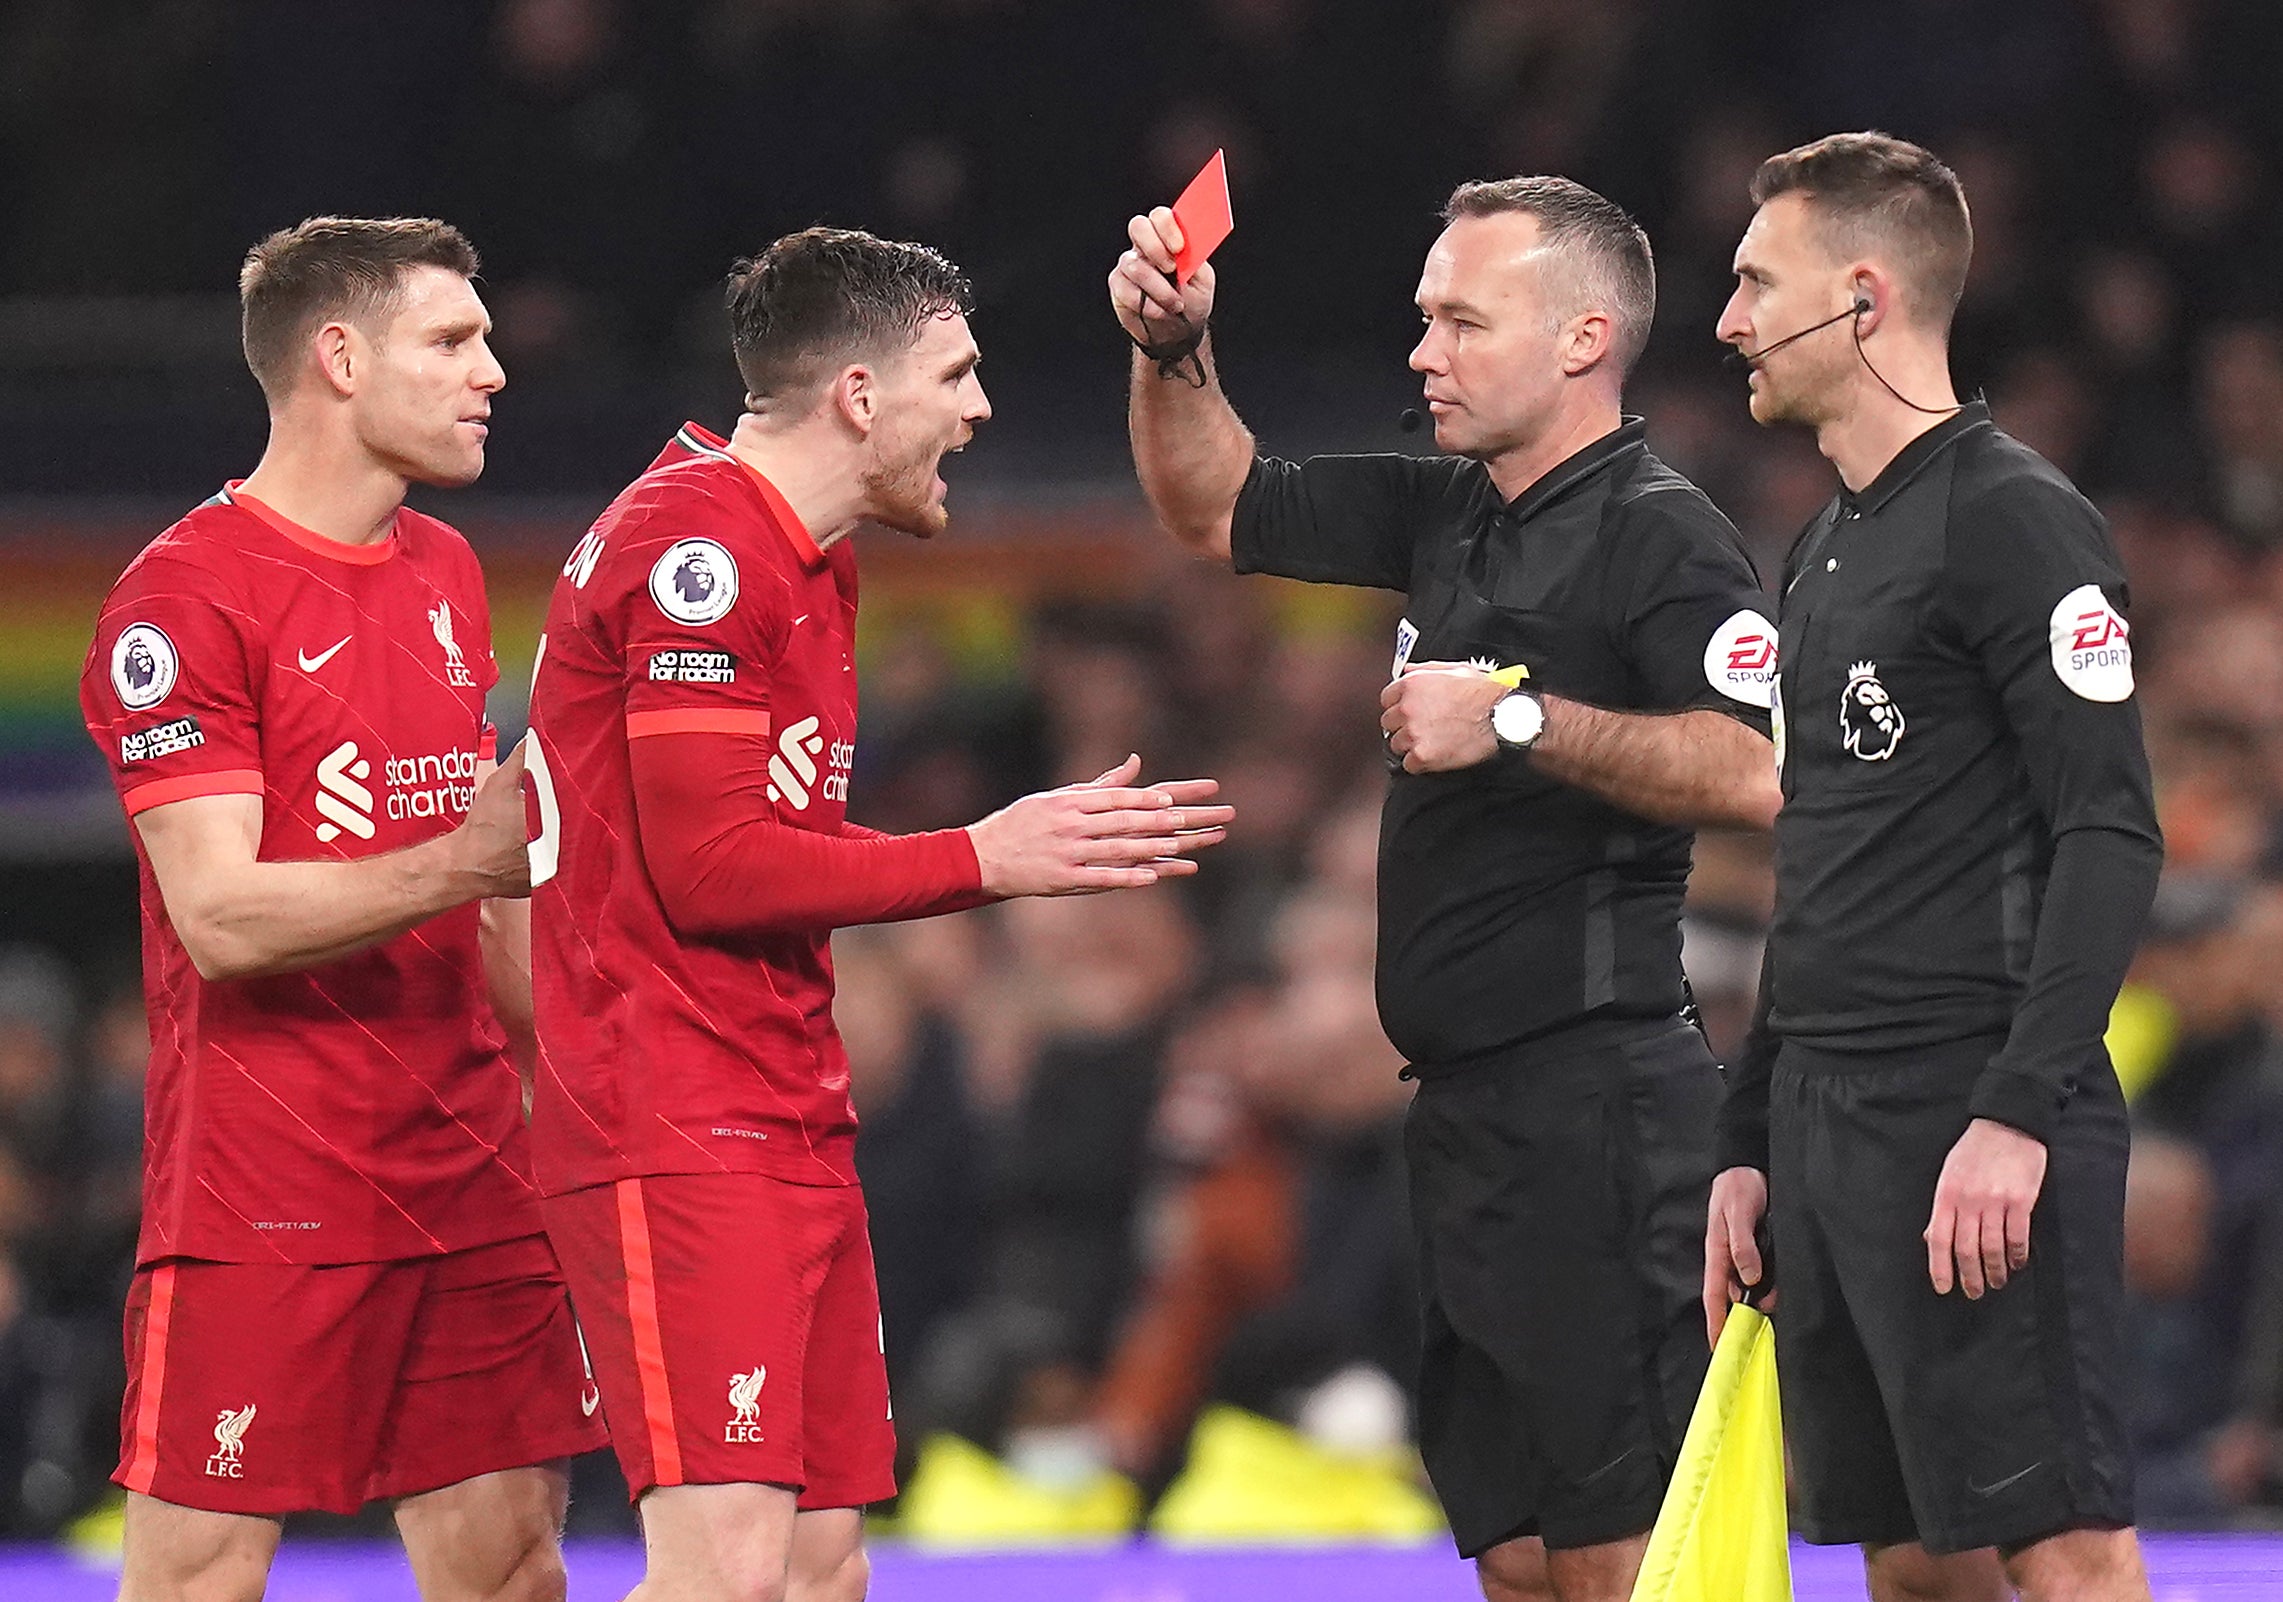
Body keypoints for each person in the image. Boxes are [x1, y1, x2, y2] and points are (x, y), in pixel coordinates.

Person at [524, 227, 1232, 1602]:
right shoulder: (701, 552)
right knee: (722, 1571)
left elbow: (752, 835)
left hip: (778, 1104)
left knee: (822, 1564)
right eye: (955, 374)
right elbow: (712, 868)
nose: (979, 409)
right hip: (674, 1119)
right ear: (858, 393)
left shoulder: (806, 558)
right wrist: (980, 855)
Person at [1110, 178, 1782, 1602]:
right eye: (1427, 319)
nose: (1424, 353)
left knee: (1614, 1553)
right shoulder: (1453, 511)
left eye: (1462, 322)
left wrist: (1521, 718)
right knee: (1521, 1554)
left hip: (1598, 1111)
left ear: (1585, 337)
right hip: (1465, 1117)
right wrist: (1175, 351)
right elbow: (1209, 500)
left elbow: (1758, 768)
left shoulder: (1664, 535)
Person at [76, 218, 604, 1602]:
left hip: (474, 1166)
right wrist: (466, 864)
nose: (492, 369)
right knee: (198, 1579)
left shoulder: (441, 570)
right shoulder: (178, 602)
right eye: (454, 341)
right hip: (270, 1189)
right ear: (338, 358)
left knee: (510, 1572)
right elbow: (224, 917)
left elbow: (482, 880)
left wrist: (594, 1083)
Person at [1705, 133, 2166, 1602]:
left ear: (1860, 297)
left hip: (1970, 1109)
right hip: (1828, 1117)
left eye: (1751, 282)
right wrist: (1749, 1128)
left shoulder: (2014, 515)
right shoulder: (1822, 544)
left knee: (2066, 1549)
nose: (1726, 323)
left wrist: (2018, 1111)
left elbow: (2111, 826)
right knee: (1908, 1557)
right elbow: (1829, 858)